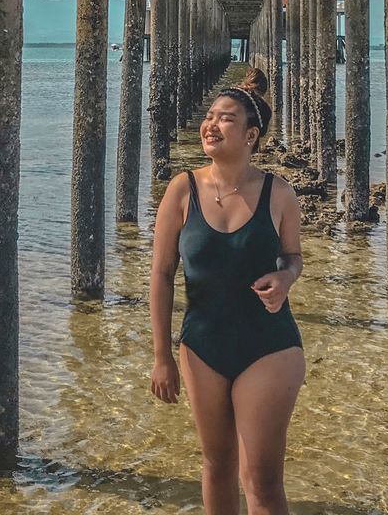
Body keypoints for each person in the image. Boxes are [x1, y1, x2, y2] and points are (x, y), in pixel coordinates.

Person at [149, 66, 306, 515]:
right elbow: (161, 275)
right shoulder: (182, 190)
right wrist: (162, 357)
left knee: (262, 480)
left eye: (225, 118)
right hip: (201, 345)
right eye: (210, 116)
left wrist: (286, 277)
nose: (210, 125)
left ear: (252, 134)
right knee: (216, 465)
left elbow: (293, 257)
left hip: (269, 345)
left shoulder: (279, 193)